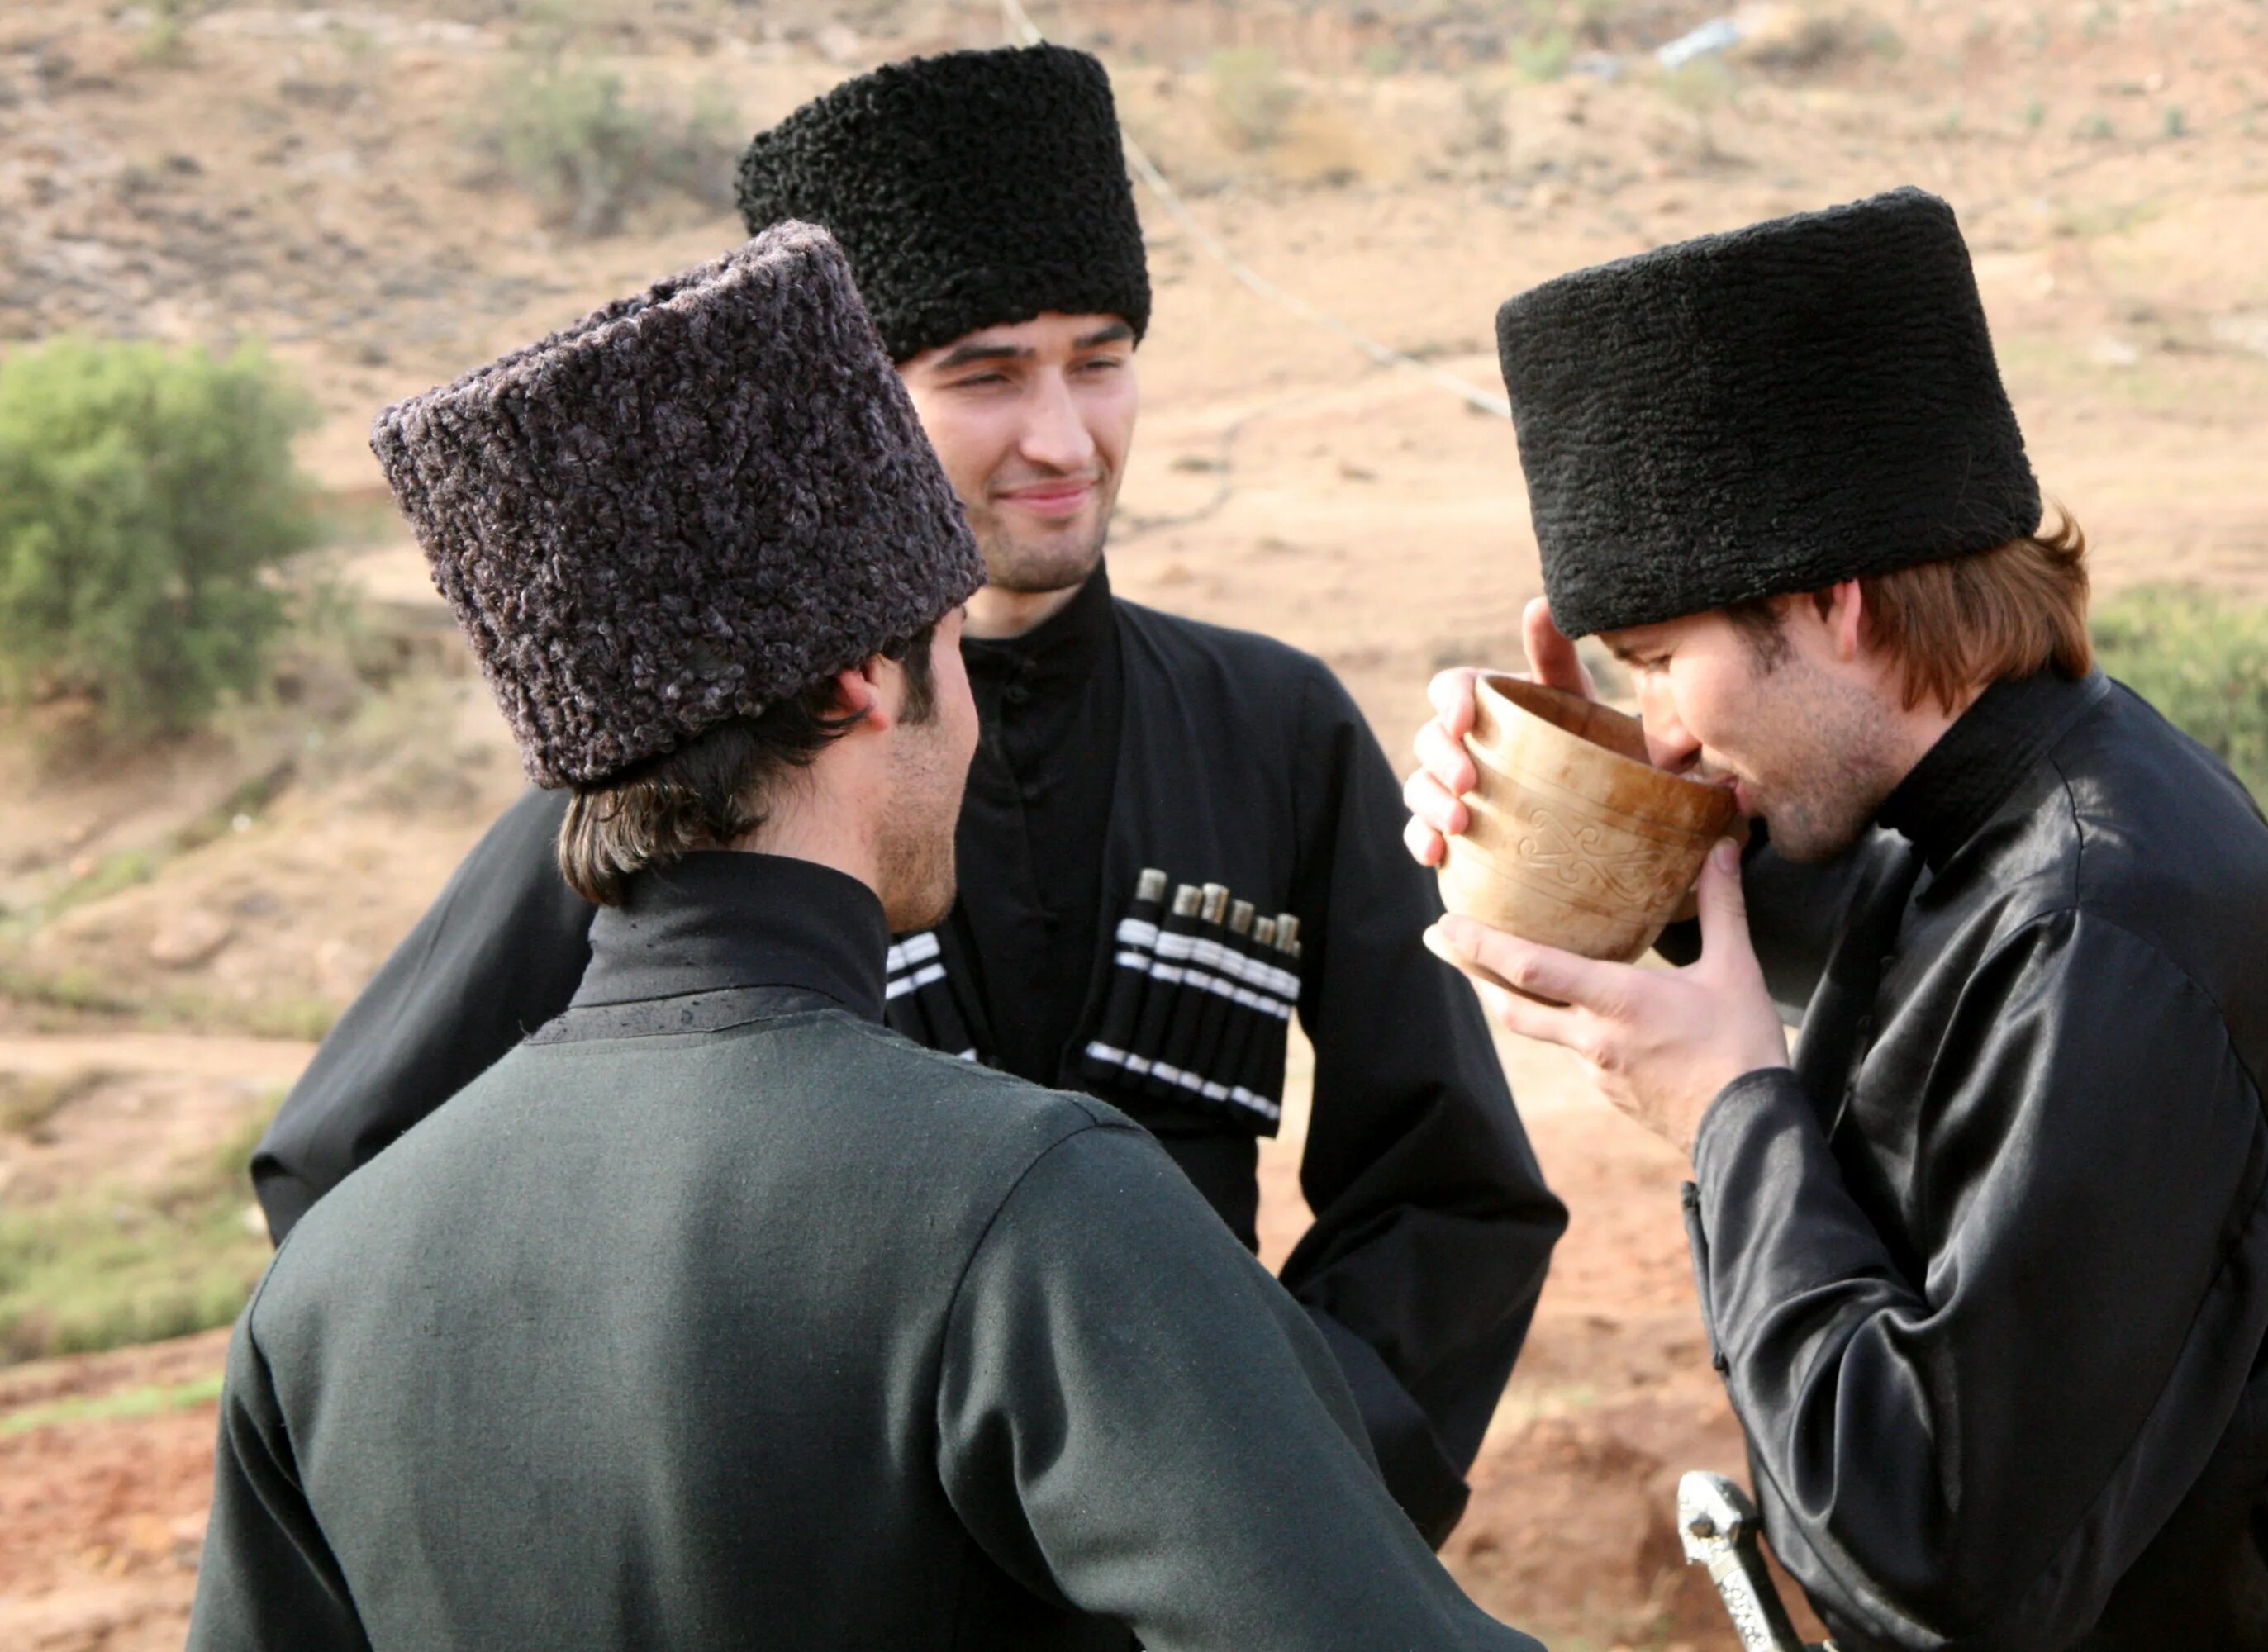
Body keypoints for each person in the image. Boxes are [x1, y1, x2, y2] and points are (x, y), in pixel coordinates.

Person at [249, 41, 1561, 1545]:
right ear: (848, 410)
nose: (1065, 439)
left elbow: (1452, 1195)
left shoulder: (1275, 728)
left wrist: (1268, 1484)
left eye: (1103, 355)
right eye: (985, 375)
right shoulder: (699, 770)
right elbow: (347, 1182)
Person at [1401, 188, 2268, 1650]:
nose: (1659, 729)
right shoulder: (1997, 817)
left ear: (1838, 601)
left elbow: (1928, 1558)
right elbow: (1872, 923)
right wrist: (1598, 825)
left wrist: (1729, 1111)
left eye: (1663, 661)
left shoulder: (2106, 932)